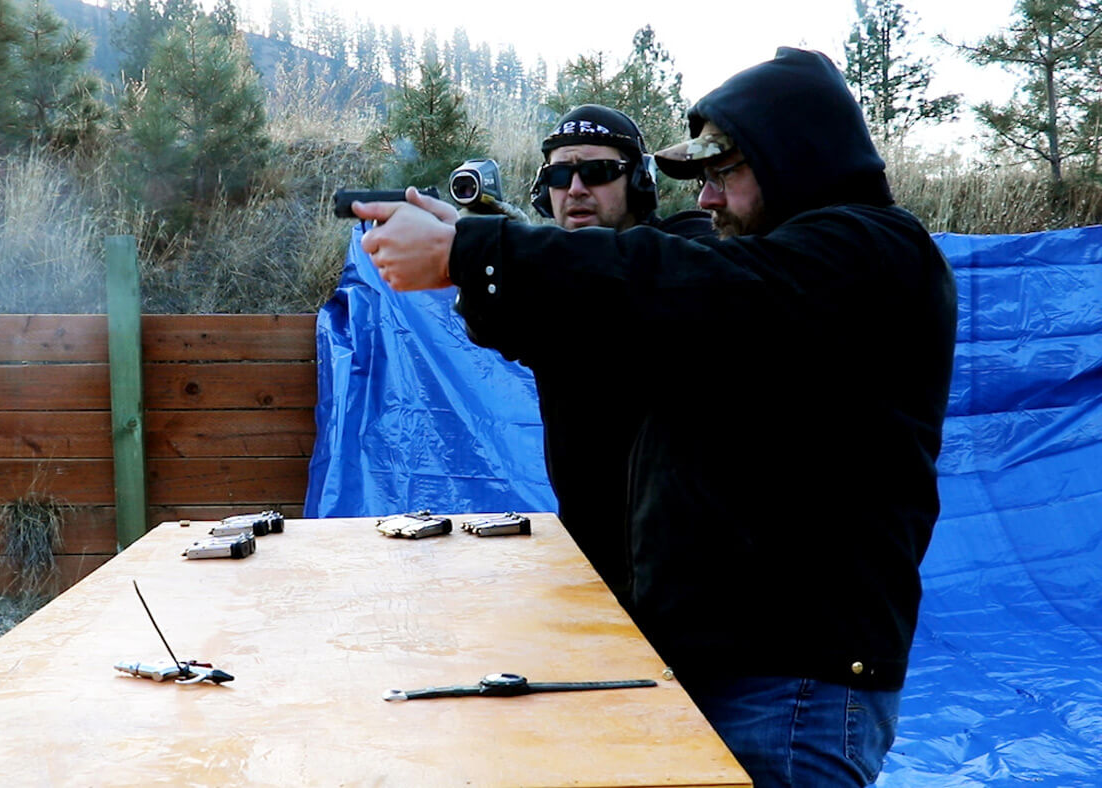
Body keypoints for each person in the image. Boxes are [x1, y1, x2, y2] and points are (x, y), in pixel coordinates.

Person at [354, 47, 958, 788]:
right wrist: (476, 251)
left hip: (792, 691)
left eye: (723, 172)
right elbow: (617, 306)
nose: (705, 199)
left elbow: (673, 284)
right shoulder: (771, 276)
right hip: (727, 669)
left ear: (794, 161)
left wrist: (470, 252)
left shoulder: (870, 252)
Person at [506, 105, 711, 603]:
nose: (575, 188)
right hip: (590, 566)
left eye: (597, 172)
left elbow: (632, 279)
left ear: (639, 181)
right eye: (558, 173)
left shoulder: (691, 249)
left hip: (692, 584)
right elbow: (495, 319)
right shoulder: (552, 275)